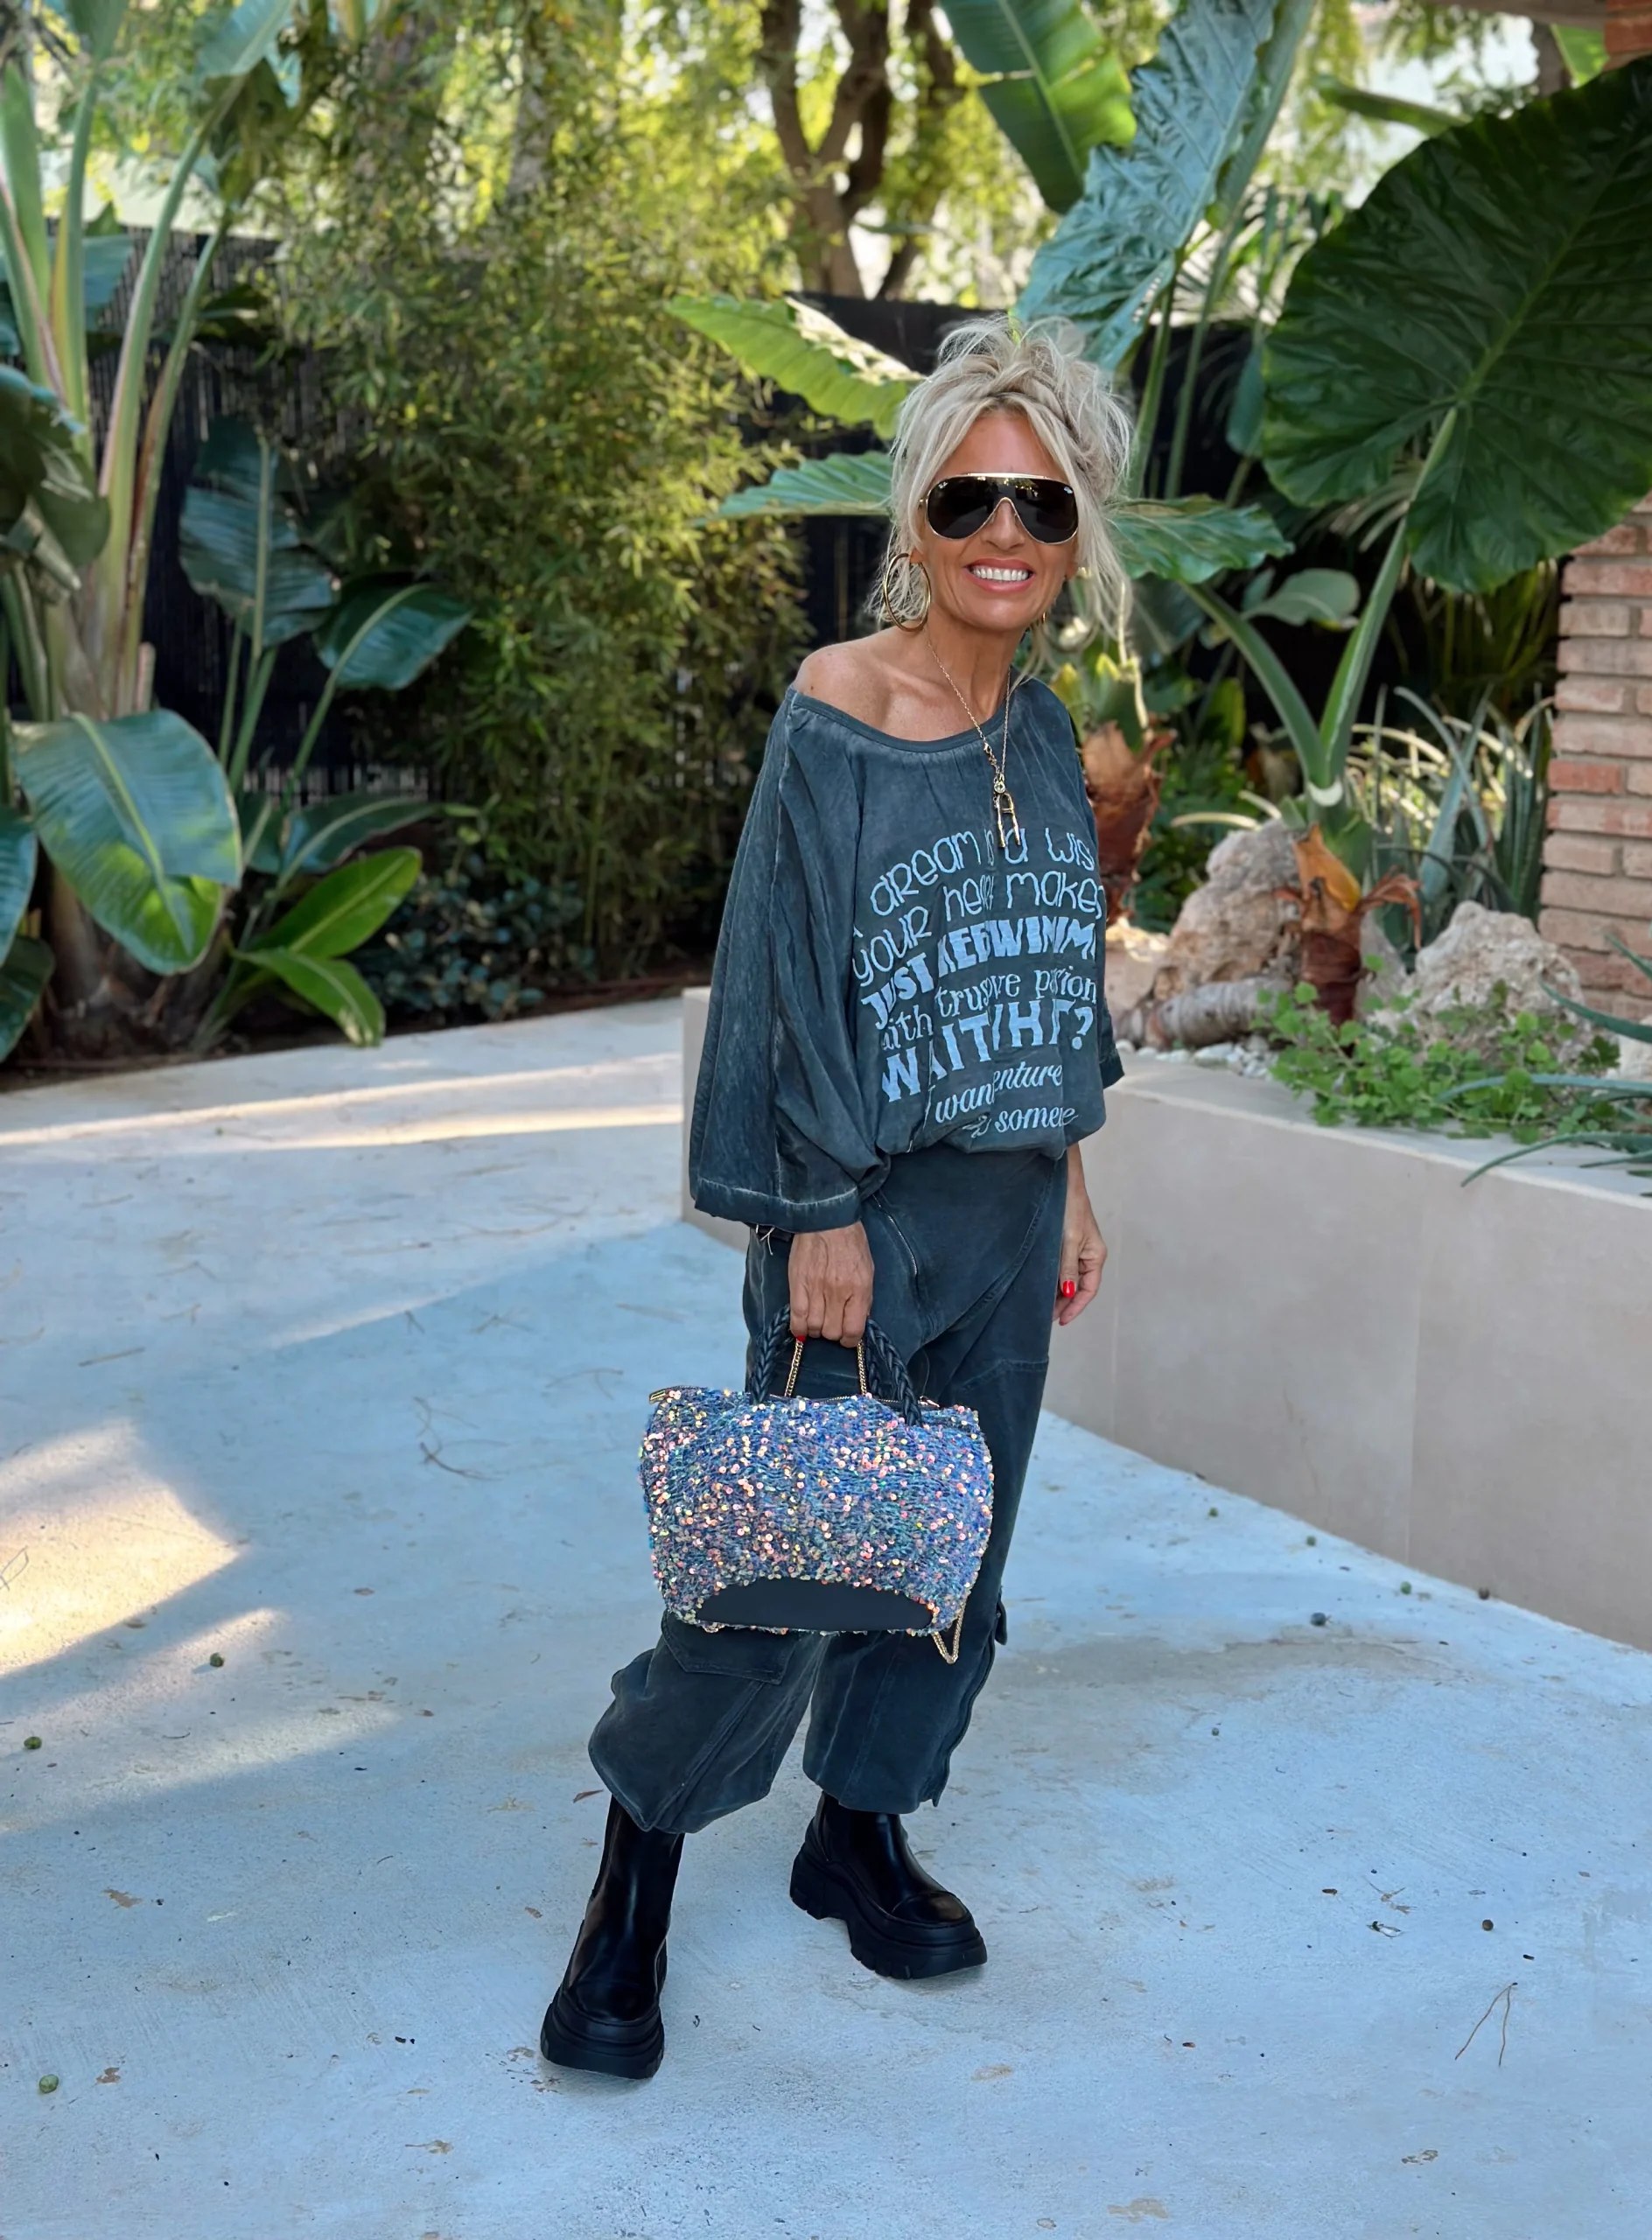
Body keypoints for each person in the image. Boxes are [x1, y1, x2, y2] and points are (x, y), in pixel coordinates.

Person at [542, 316, 1130, 2080]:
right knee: (781, 1563)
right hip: (865, 1212)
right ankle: (633, 1881)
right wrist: (814, 1213)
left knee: (954, 1563)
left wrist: (1073, 1172)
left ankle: (854, 1835)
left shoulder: (1047, 731)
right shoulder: (839, 708)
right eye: (972, 497)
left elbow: (1052, 974)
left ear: (1077, 529)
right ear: (917, 515)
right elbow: (784, 979)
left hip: (1012, 1212)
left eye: (1042, 501)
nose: (1006, 531)